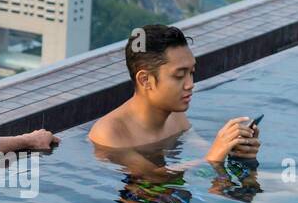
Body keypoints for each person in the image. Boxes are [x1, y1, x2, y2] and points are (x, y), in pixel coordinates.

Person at [88, 23, 260, 175]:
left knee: (279, 191)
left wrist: (237, 151)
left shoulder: (175, 117)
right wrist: (212, 158)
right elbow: (155, 176)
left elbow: (205, 151)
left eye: (191, 73)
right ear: (145, 80)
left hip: (174, 195)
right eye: (179, 76)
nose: (190, 84)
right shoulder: (110, 133)